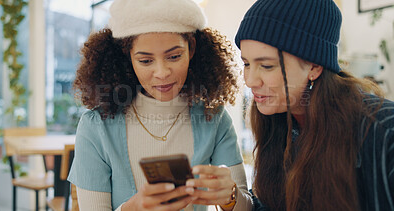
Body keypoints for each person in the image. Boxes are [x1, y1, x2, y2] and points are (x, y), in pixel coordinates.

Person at [67, 0, 253, 210]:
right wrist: (134, 208)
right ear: (128, 57)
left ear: (191, 48)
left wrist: (231, 196)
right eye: (146, 61)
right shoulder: (96, 127)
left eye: (174, 56)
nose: (162, 72)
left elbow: (246, 206)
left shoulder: (214, 117)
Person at [234, 0, 394, 210]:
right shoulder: (279, 123)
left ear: (315, 67)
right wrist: (230, 197)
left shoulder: (383, 130)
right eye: (246, 64)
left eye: (266, 65)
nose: (250, 80)